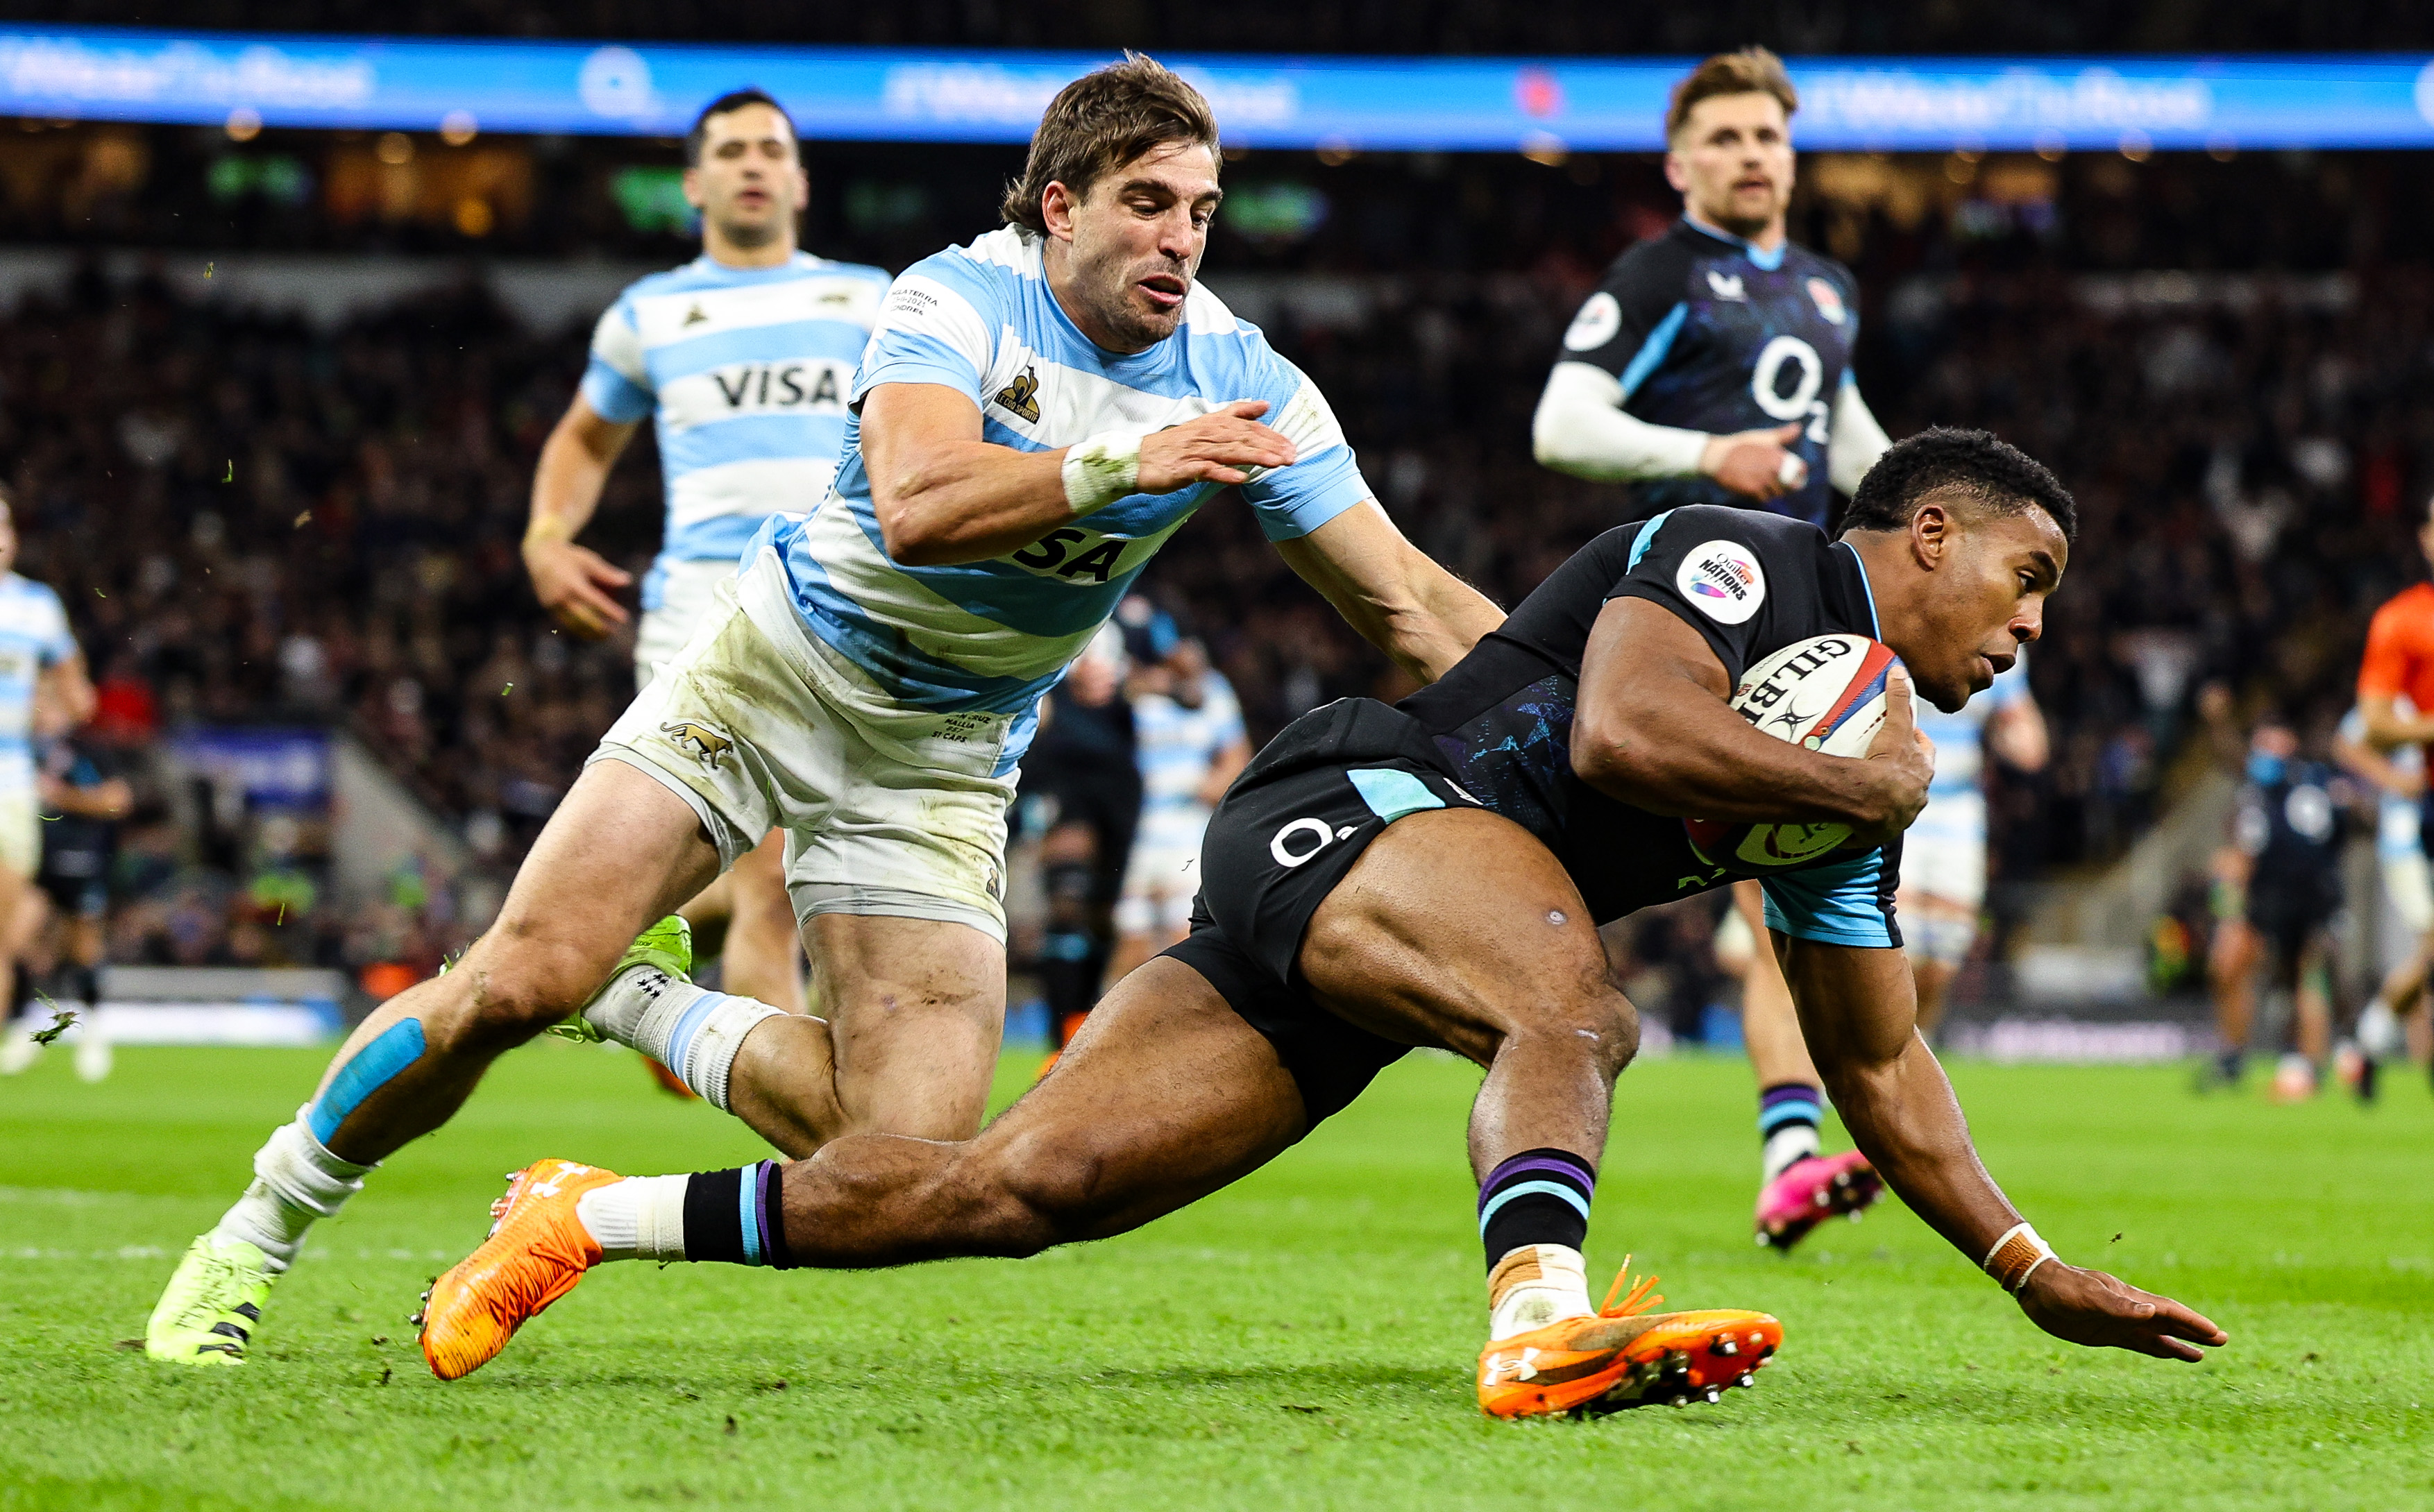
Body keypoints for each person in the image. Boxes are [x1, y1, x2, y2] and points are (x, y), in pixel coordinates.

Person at [417, 430, 2225, 1419]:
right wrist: (1862, 794)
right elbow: (1616, 733)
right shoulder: (1748, 557)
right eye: (2025, 580)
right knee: (1577, 1013)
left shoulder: (1857, 778)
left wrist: (2026, 1266)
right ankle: (1537, 1317)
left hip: (1385, 940)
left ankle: (585, 1214)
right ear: (1924, 536)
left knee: (1004, 1189)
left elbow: (1880, 1056)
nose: (2029, 629)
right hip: (1352, 803)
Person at [144, 53, 1501, 1366]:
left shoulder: (1239, 374)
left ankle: (637, 1016)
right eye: (1147, 202)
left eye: (1200, 211)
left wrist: (1555, 709)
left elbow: (1407, 604)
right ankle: (250, 1240)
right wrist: (1120, 461)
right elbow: (915, 506)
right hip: (781, 672)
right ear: (1060, 207)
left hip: (947, 754)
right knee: (512, 979)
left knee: (902, 1154)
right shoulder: (952, 299)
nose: (1180, 240)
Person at [1528, 46, 1899, 1250]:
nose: (1752, 156)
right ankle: (1786, 1142)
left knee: (1786, 872)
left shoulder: (1827, 290)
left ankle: (1791, 1144)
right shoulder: (1658, 274)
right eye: (1727, 138)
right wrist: (1708, 450)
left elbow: (1857, 457)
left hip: (1792, 630)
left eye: (1767, 137)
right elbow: (1561, 421)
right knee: (1731, 873)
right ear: (1681, 162)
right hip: (1677, 621)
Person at [522, 88, 886, 1042]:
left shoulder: (869, 299)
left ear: (801, 179)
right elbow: (584, 440)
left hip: (844, 604)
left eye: (772, 147)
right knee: (769, 868)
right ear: (694, 183)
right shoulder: (650, 311)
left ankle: (632, 957)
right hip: (700, 611)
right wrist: (546, 535)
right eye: (730, 151)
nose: (753, 164)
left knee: (777, 871)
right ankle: (803, 1158)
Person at [2201, 715, 2358, 1101]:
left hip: (2290, 891)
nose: (2265, 755)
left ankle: (2307, 1065)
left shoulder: (2271, 787)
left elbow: (2246, 847)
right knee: (2256, 969)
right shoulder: (2321, 781)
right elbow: (2344, 829)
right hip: (2297, 892)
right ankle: (2248, 1059)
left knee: (2303, 979)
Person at [1899, 656, 2046, 1039]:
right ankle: (1884, 1056)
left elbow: (2026, 736)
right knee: (1903, 949)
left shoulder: (1998, 644)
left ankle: (1919, 1049)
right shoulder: (1903, 624)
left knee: (1944, 960)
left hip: (1959, 810)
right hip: (1898, 799)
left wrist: (2016, 735)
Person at [0, 489, 96, 1073]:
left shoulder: (37, 607)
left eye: (5, 524)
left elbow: (78, 698)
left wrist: (48, 711)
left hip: (8, 777)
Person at [1016, 624, 1140, 1051]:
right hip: (1063, 789)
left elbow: (1178, 673)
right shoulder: (1056, 617)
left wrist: (1148, 680)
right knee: (1067, 904)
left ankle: (1080, 1029)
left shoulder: (1140, 628)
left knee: (1102, 920)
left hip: (1119, 794)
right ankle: (1058, 1042)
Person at [1106, 632, 1249, 986]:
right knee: (1131, 936)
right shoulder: (1141, 687)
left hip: (1188, 825)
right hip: (1143, 826)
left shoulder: (1214, 690)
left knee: (1183, 931)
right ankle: (1091, 1032)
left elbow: (1236, 755)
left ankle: (1176, 1025)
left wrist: (1206, 786)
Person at [2353, 497, 2434, 1095]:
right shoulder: (2403, 624)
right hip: (2413, 821)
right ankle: (2371, 1041)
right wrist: (2394, 780)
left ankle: (2367, 1041)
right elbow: (2361, 732)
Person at [0, 734, 133, 1082]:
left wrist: (61, 796)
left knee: (83, 949)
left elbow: (117, 800)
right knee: (16, 944)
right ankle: (23, 1031)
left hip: (79, 860)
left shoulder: (88, 750)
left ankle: (93, 1033)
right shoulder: (19, 748)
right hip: (32, 861)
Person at [2333, 701, 2433, 1087]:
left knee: (2426, 959)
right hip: (2408, 844)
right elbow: (2346, 744)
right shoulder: (2398, 697)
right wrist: (2394, 779)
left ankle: (2367, 1044)